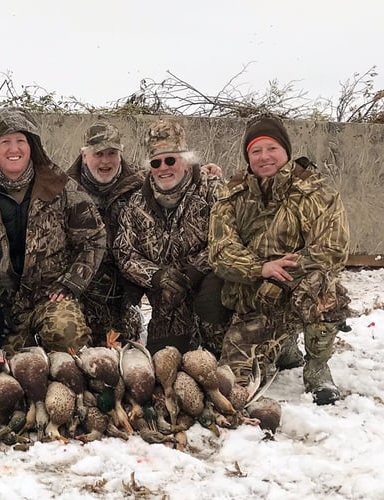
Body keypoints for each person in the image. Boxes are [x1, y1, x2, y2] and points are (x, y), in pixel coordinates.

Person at [208, 113, 350, 405]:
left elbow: (332, 248)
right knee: (232, 386)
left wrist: (283, 276)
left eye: (272, 148)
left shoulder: (315, 191)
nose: (264, 157)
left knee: (323, 286)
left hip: (298, 288)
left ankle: (317, 368)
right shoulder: (231, 195)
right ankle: (284, 347)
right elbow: (220, 251)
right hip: (254, 297)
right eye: (256, 151)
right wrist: (261, 269)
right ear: (248, 157)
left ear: (286, 150)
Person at [0, 107, 106, 355]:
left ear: (32, 146)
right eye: (5, 142)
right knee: (1, 368)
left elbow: (94, 239)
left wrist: (71, 283)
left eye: (21, 140)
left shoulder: (63, 190)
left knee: (68, 336)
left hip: (51, 298)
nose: (14, 149)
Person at [114, 118, 230, 355]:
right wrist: (156, 276)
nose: (163, 168)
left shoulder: (213, 190)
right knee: (166, 359)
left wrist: (197, 269)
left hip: (209, 290)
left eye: (170, 160)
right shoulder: (137, 203)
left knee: (220, 351)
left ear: (186, 161)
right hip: (168, 301)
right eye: (156, 162)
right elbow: (124, 253)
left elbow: (230, 238)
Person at [67, 121, 146, 345]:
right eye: (98, 153)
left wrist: (205, 171)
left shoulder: (141, 186)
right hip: (82, 290)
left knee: (126, 358)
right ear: (84, 156)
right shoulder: (64, 190)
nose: (105, 161)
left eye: (112, 153)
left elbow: (175, 177)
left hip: (125, 292)